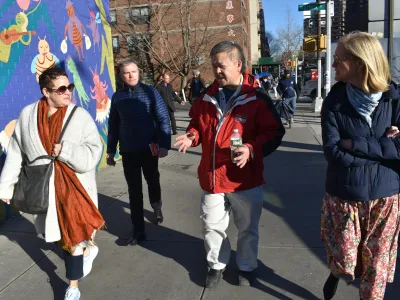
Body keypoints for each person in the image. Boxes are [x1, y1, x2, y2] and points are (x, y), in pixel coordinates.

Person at [174, 41, 285, 288]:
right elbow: (197, 125)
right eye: (214, 66)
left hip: (245, 180)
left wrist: (251, 148)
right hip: (213, 178)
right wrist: (192, 136)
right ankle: (216, 265)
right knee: (212, 227)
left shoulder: (257, 98)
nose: (217, 71)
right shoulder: (206, 97)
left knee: (247, 229)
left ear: (238, 64)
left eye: (221, 65)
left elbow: (274, 132)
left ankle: (246, 266)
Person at [0, 67, 104, 300]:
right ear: (46, 92)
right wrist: (6, 186)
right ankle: (88, 249)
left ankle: (73, 287)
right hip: (45, 188)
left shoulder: (80, 116)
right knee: (59, 237)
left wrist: (66, 151)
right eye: (62, 89)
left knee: (72, 237)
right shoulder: (27, 115)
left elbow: (94, 151)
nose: (68, 92)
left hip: (75, 188)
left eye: (70, 87)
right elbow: (17, 152)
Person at [321, 32, 400, 300]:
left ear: (359, 62)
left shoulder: (395, 99)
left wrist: (353, 144)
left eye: (338, 60)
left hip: (385, 198)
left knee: (376, 268)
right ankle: (337, 270)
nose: (333, 66)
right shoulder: (334, 101)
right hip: (344, 196)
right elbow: (332, 151)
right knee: (346, 260)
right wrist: (383, 148)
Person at [107, 59, 171, 246]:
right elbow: (114, 125)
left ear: (139, 72)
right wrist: (111, 151)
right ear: (121, 75)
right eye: (126, 72)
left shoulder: (151, 92)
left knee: (152, 180)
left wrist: (164, 144)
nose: (131, 75)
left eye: (133, 71)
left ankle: (156, 207)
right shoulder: (118, 97)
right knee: (134, 190)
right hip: (128, 151)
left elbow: (162, 118)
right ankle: (138, 230)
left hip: (149, 148)